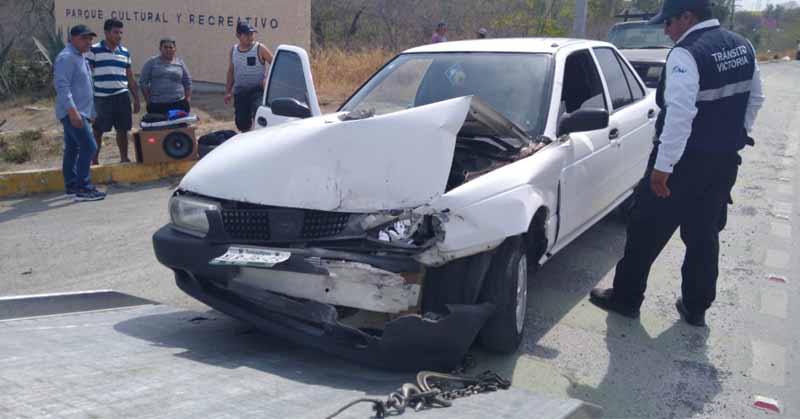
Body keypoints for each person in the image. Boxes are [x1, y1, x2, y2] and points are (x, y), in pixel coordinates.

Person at [588, 0, 764, 327]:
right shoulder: (743, 46)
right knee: (703, 235)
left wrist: (663, 168)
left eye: (668, 22)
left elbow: (680, 114)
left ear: (687, 16)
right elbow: (756, 98)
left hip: (682, 165)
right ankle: (696, 307)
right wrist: (735, 135)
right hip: (723, 163)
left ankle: (626, 298)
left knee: (645, 229)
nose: (666, 31)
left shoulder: (687, 53)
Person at [53, 25, 106, 202]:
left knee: (73, 148)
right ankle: (83, 188)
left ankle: (72, 185)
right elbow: (62, 86)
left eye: (90, 38)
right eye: (84, 38)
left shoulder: (80, 56)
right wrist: (73, 112)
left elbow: (86, 86)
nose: (88, 42)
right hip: (73, 112)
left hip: (81, 111)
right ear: (72, 39)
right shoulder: (66, 57)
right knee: (89, 146)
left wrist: (91, 111)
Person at [86, 18, 141, 164]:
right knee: (98, 130)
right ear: (106, 33)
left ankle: (124, 158)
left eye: (121, 33)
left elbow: (130, 77)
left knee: (122, 129)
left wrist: (136, 99)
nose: (119, 36)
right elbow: (87, 76)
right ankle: (94, 161)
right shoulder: (94, 50)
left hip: (121, 96)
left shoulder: (125, 52)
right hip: (101, 98)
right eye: (116, 32)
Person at [224, 22, 274, 132]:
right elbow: (231, 71)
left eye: (252, 34)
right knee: (242, 123)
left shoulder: (260, 48)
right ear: (238, 35)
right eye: (247, 34)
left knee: (259, 116)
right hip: (240, 92)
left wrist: (267, 78)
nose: (250, 37)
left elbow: (275, 64)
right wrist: (228, 91)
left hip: (257, 91)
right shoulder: (234, 50)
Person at [139, 37, 192, 115]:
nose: (168, 49)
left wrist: (187, 100)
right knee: (158, 123)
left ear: (175, 49)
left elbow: (188, 82)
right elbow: (143, 82)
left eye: (171, 47)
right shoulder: (152, 62)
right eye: (165, 47)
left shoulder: (180, 63)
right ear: (160, 49)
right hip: (157, 104)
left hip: (179, 103)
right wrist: (148, 100)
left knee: (178, 123)